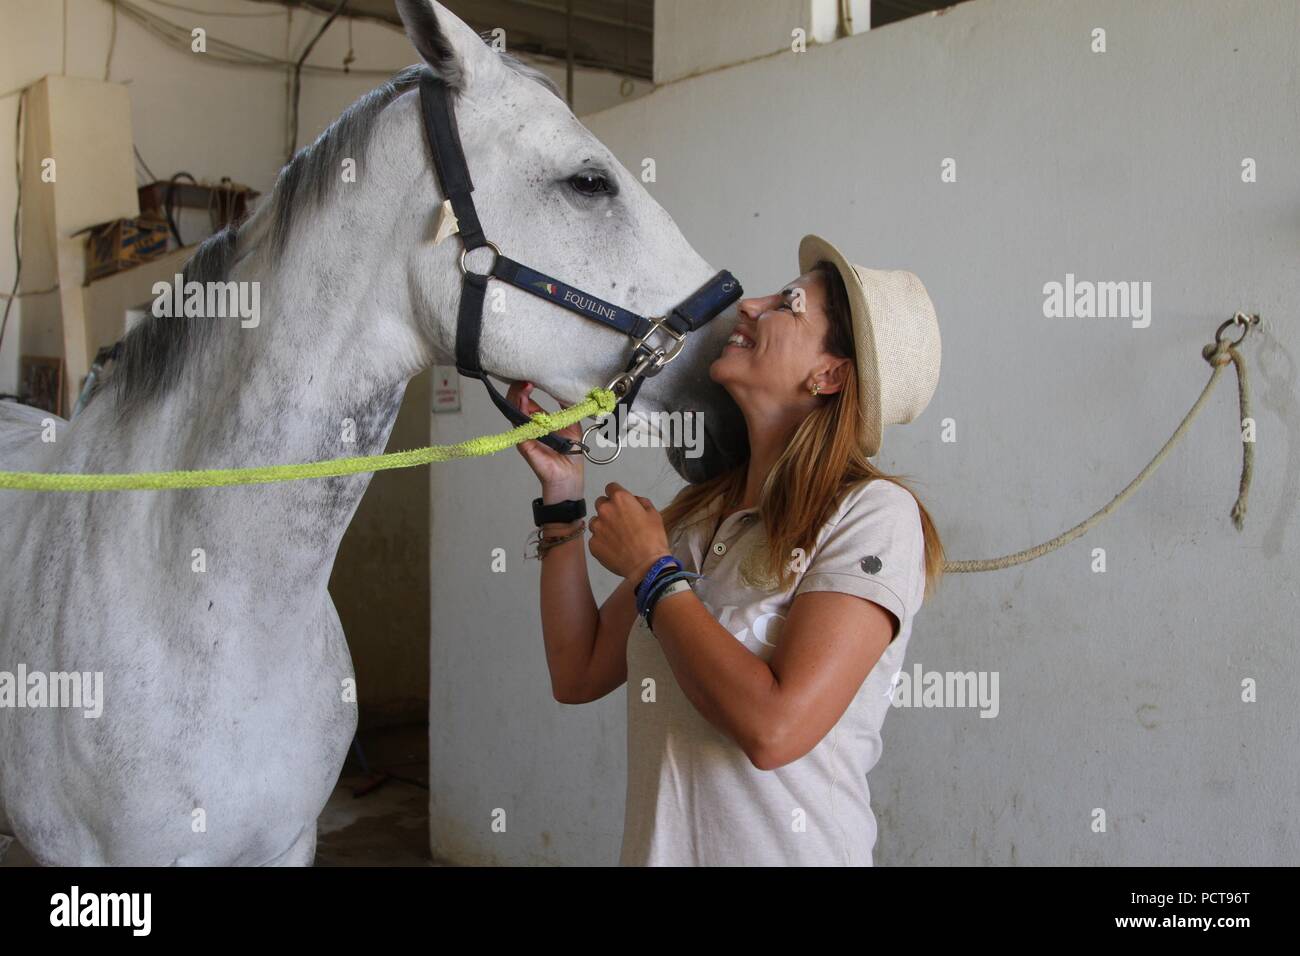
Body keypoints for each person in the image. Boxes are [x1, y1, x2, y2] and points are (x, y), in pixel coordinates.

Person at [508, 234, 944, 866]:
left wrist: (655, 575)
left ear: (830, 374)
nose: (750, 305)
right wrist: (562, 497)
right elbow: (578, 672)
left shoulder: (872, 517)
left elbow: (775, 729)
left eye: (787, 304)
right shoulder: (700, 516)